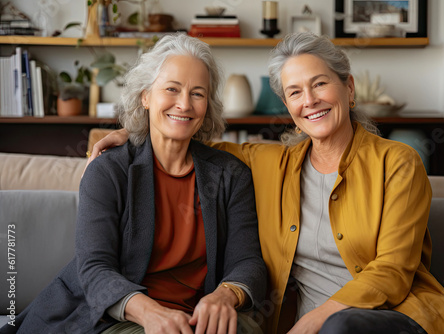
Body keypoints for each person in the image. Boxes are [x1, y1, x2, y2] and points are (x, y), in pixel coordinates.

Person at [87, 32, 444, 334]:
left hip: (393, 318)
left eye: (320, 84)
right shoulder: (272, 164)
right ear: (288, 108)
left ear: (349, 89)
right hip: (303, 325)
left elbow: (393, 271)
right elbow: (185, 134)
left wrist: (318, 321)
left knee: (340, 328)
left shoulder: (398, 163)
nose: (310, 100)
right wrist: (131, 133)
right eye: (295, 92)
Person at [5, 34, 266, 334]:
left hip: (196, 320)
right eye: (172, 89)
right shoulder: (109, 170)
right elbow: (94, 268)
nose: (184, 104)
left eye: (198, 93)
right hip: (116, 316)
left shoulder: (231, 175)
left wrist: (224, 295)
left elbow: (248, 262)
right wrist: (151, 313)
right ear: (146, 96)